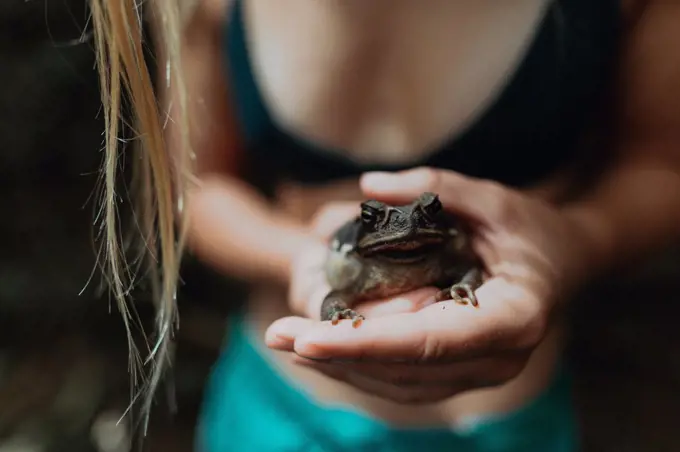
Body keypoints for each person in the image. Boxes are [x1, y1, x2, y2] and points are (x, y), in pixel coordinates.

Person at [90, 0, 680, 450]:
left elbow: (662, 167)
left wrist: (571, 244)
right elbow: (196, 185)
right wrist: (299, 256)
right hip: (279, 403)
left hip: (505, 423)